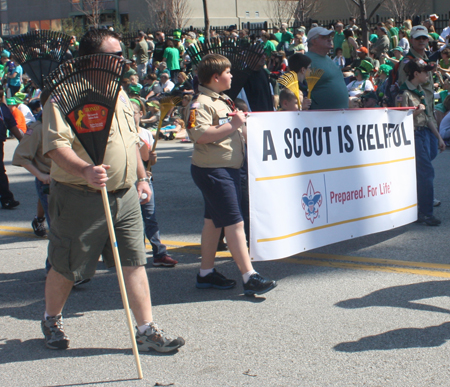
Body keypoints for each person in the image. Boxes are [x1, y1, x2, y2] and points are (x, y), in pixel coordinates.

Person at [40, 29, 184, 352]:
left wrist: (143, 177)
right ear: (93, 60)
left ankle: (146, 329)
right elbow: (55, 146)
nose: (123, 60)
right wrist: (85, 170)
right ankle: (51, 319)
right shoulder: (65, 96)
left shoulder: (119, 93)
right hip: (80, 194)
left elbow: (130, 141)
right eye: (115, 55)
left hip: (125, 194)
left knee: (134, 260)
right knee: (67, 266)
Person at [187, 53, 277, 296]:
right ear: (216, 77)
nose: (231, 76)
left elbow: (238, 128)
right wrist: (234, 124)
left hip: (227, 169)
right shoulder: (200, 103)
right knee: (235, 223)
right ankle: (250, 276)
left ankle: (205, 274)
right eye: (228, 72)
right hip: (213, 171)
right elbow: (201, 135)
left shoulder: (223, 100)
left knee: (213, 223)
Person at [129, 98, 178, 267]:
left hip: (145, 181)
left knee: (150, 218)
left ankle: (159, 253)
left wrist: (152, 160)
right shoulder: (124, 133)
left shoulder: (145, 133)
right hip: (128, 182)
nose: (130, 116)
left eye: (133, 113)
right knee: (130, 221)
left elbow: (147, 160)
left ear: (140, 114)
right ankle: (131, 254)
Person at [400, 58, 445, 226]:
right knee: (426, 173)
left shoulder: (419, 90)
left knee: (422, 173)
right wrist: (415, 113)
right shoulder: (404, 93)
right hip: (413, 135)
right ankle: (425, 213)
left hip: (424, 133)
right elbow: (398, 119)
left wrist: (438, 137)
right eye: (425, 72)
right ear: (416, 74)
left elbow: (428, 118)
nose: (428, 74)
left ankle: (419, 209)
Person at [305, 27, 348, 109]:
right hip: (320, 117)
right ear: (314, 41)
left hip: (339, 116)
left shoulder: (327, 58)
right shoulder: (306, 61)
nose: (329, 39)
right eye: (324, 37)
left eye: (329, 37)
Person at [0, 89, 22, 209]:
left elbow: (12, 125)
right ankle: (6, 198)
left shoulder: (3, 109)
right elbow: (12, 125)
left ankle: (6, 198)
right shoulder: (3, 109)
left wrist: (22, 140)